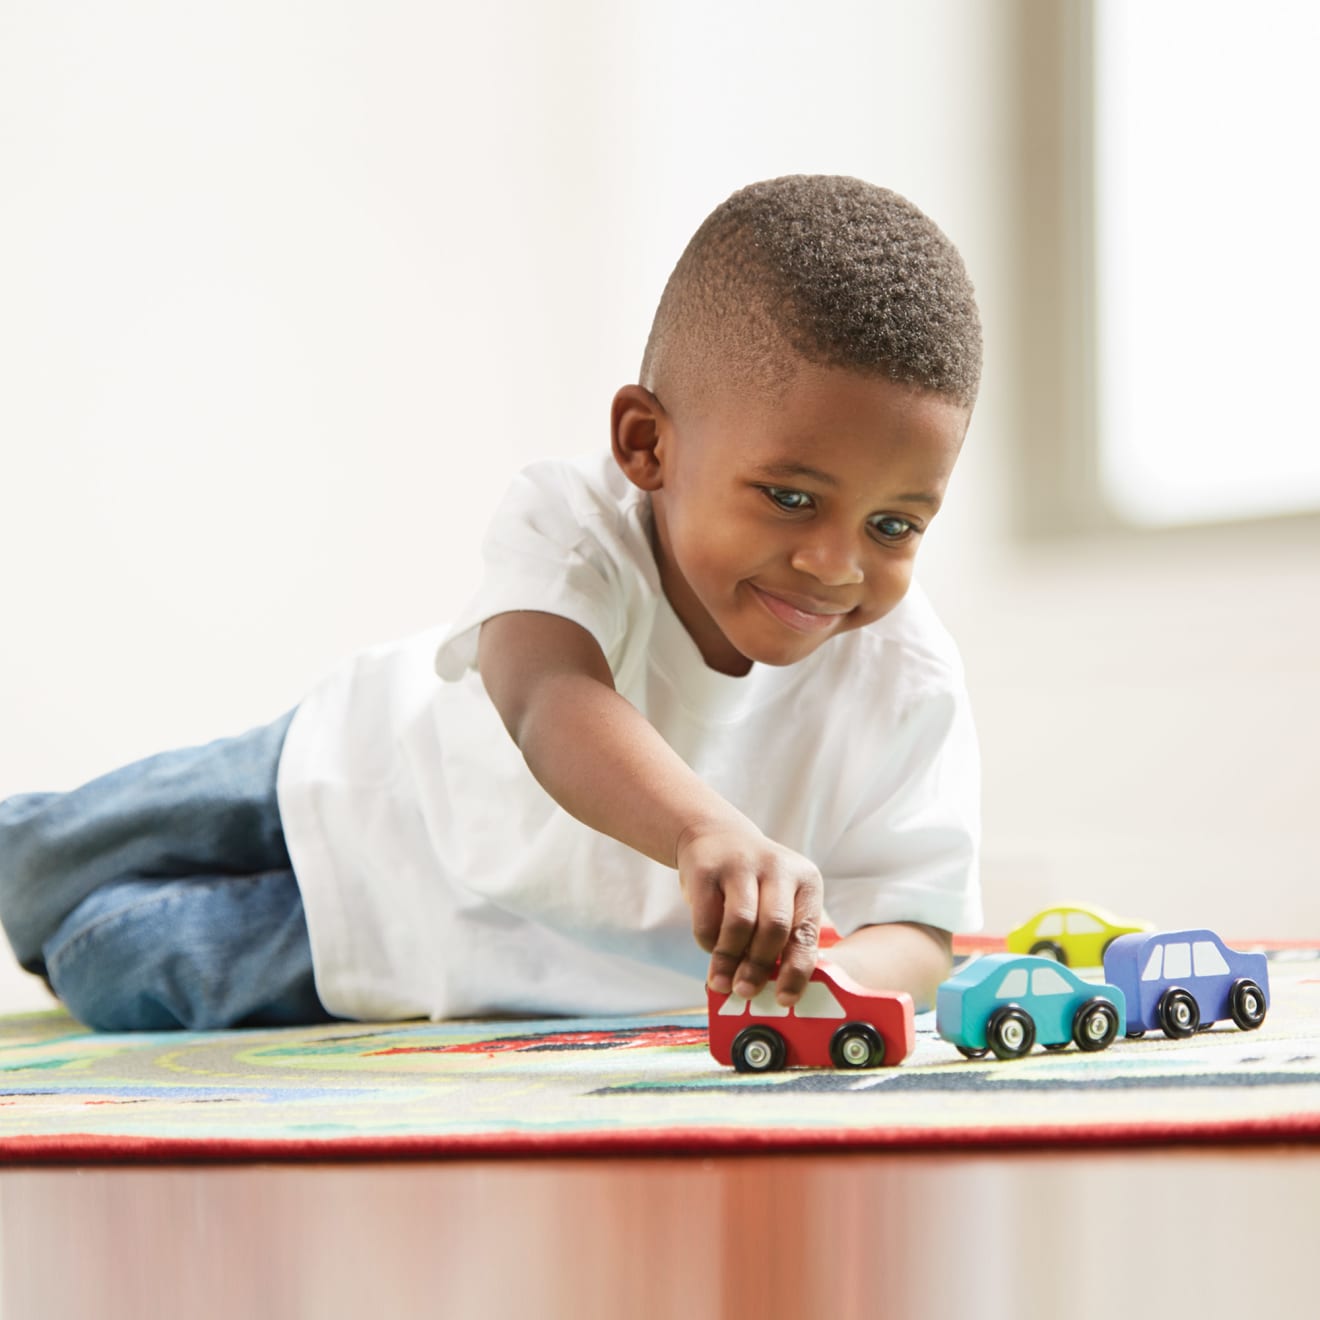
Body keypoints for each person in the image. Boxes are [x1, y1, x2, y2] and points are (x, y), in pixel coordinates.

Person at [0, 174, 983, 1032]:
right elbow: (549, 697)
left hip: (435, 945)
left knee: (105, 955)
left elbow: (923, 924)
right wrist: (701, 829)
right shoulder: (578, 517)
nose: (836, 565)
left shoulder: (911, 681)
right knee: (42, 866)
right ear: (648, 445)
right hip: (361, 771)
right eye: (792, 497)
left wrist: (832, 975)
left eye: (895, 526)